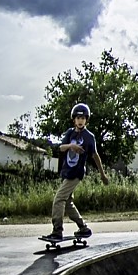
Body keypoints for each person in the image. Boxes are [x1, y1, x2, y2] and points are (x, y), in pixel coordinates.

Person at [42, 102, 109, 242]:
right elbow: (61, 148)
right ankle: (83, 228)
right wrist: (71, 146)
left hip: (76, 173)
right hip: (67, 171)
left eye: (83, 118)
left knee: (59, 199)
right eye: (78, 118)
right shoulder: (69, 133)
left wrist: (102, 174)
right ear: (74, 119)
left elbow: (95, 156)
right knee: (67, 203)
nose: (80, 121)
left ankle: (57, 231)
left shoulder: (89, 137)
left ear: (86, 120)